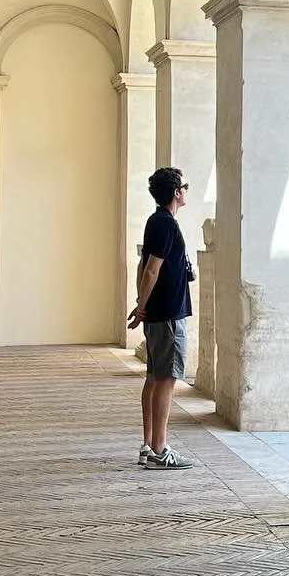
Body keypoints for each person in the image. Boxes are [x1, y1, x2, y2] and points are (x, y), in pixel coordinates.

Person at [128, 165, 193, 469]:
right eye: (184, 187)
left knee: (154, 378)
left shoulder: (156, 221)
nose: (185, 191)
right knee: (166, 379)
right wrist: (142, 306)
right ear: (176, 193)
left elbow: (144, 266)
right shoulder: (166, 225)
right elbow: (152, 269)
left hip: (157, 311)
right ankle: (160, 450)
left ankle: (148, 445)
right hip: (167, 314)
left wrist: (142, 304)